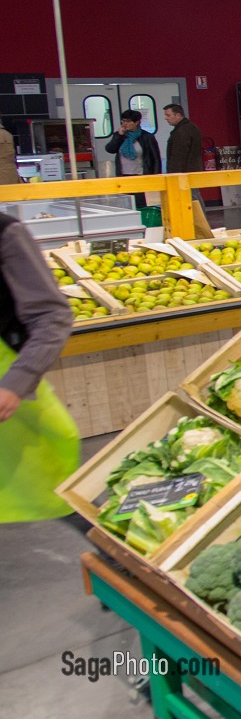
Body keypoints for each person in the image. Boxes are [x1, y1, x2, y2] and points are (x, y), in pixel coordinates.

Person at [0, 213, 80, 522]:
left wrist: (16, 383)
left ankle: (118, 561)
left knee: (56, 489)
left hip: (10, 398)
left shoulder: (6, 234)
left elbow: (52, 316)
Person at [162, 103, 213, 239]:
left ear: (178, 115)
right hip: (191, 171)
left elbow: (179, 156)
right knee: (195, 197)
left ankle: (201, 228)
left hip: (184, 173)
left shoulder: (181, 132)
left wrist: (174, 176)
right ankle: (201, 225)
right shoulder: (189, 128)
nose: (166, 118)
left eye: (168, 115)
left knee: (193, 199)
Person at [106, 110, 162, 206]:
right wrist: (119, 136)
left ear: (136, 122)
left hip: (140, 175)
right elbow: (110, 149)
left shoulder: (147, 137)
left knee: (140, 203)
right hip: (123, 176)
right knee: (126, 204)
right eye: (123, 121)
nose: (125, 124)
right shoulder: (120, 136)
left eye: (128, 121)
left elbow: (156, 158)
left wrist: (155, 177)